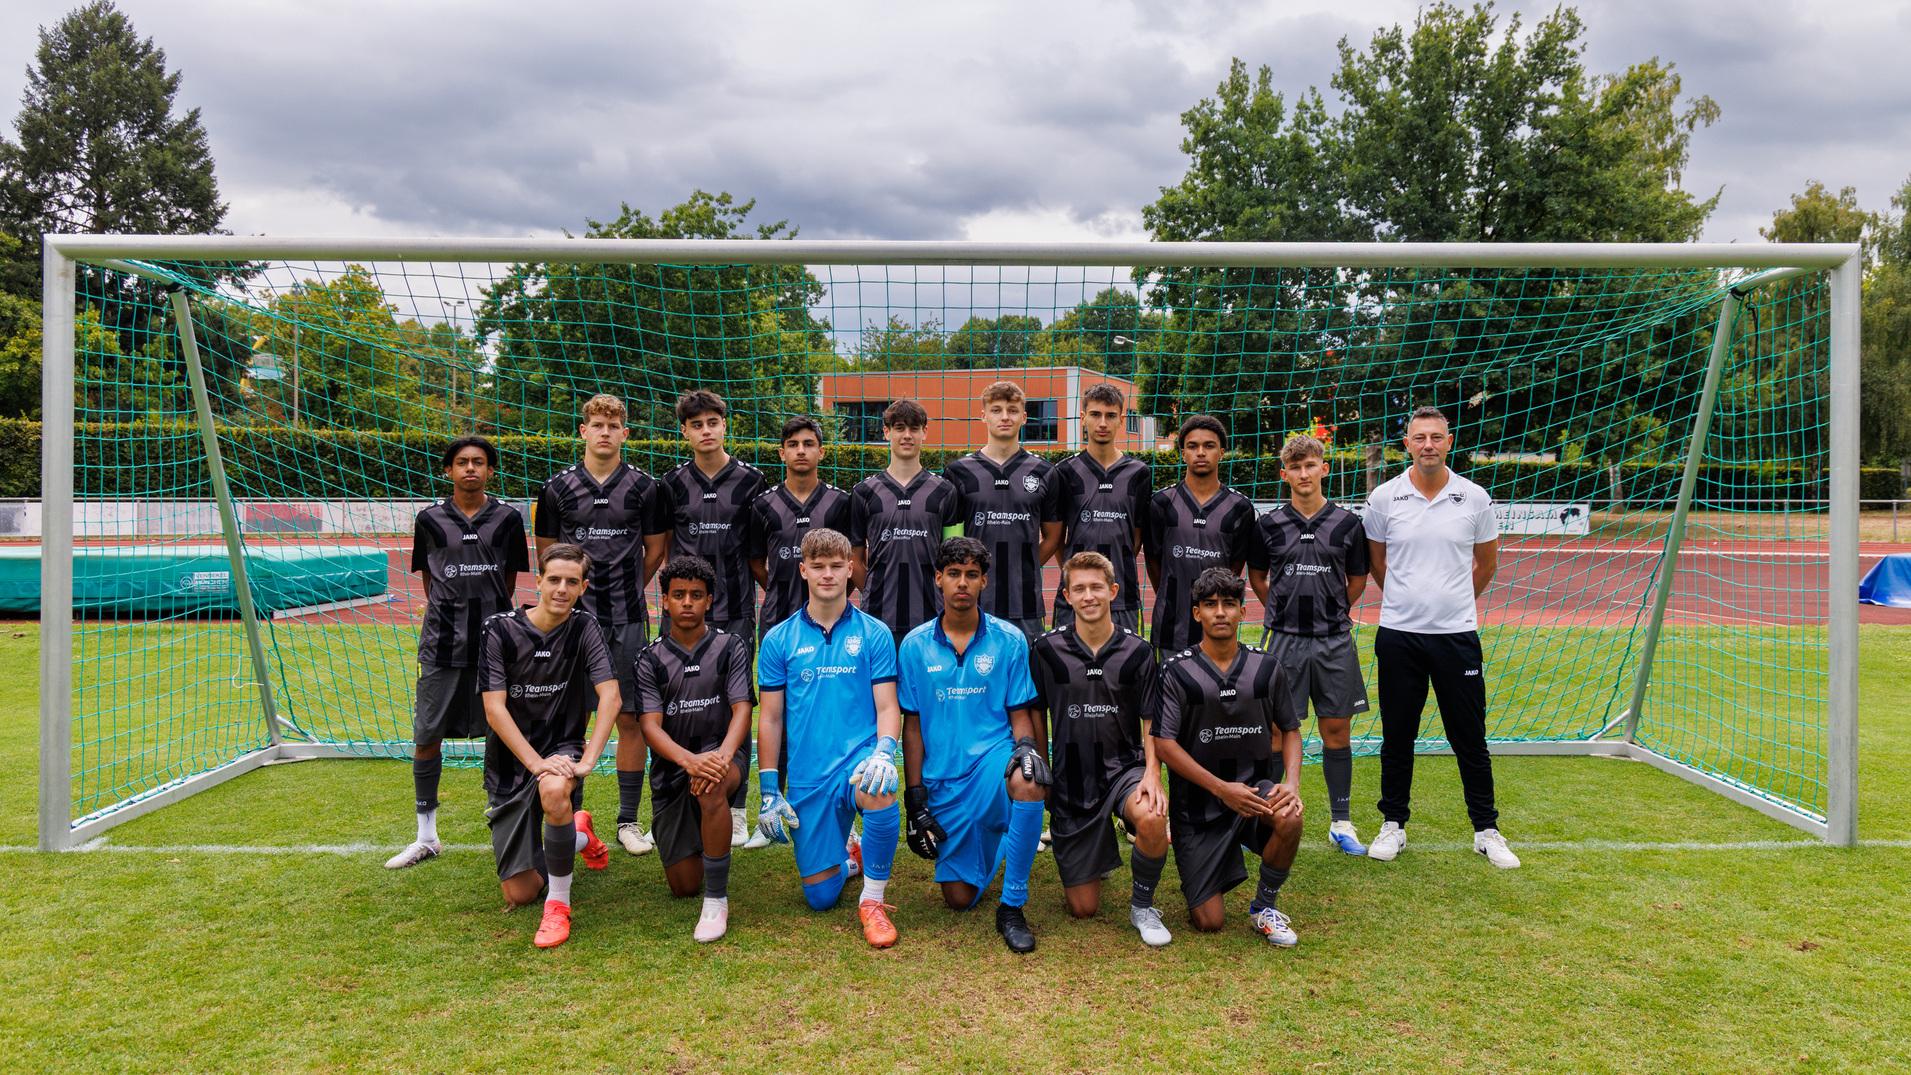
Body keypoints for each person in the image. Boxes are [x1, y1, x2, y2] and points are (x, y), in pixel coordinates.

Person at [1361, 406, 1517, 868]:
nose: (1428, 444)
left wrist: (1453, 604)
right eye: (1419, 437)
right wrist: (1409, 602)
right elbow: (1376, 562)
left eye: (1436, 436)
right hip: (1399, 636)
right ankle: (1393, 824)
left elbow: (1486, 565)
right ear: (1406, 444)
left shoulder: (1474, 498)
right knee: (1398, 735)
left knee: (1469, 737)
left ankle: (1486, 829)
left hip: (1456, 637)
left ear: (1450, 441)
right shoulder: (1385, 498)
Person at [533, 393, 672, 858]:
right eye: (597, 424)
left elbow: (655, 550)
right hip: (570, 625)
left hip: (627, 618)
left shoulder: (646, 488)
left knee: (631, 718)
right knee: (569, 718)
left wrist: (630, 585)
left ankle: (629, 821)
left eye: (614, 425)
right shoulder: (556, 488)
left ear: (625, 433)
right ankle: (573, 815)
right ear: (583, 431)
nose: (606, 432)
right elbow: (548, 554)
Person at [754, 527, 906, 949]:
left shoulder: (874, 633)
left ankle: (873, 902)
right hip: (808, 776)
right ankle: (848, 852)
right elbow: (769, 719)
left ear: (851, 569)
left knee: (879, 790)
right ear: (802, 570)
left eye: (836, 566)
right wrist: (769, 789)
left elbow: (887, 707)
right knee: (820, 897)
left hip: (857, 760)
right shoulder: (778, 638)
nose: (827, 574)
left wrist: (884, 751)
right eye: (817, 566)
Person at [898, 537, 1047, 954]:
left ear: (984, 581)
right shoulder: (913, 646)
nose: (962, 583)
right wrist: (914, 799)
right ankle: (1004, 838)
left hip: (991, 765)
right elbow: (912, 727)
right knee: (958, 899)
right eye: (954, 575)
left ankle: (1013, 905)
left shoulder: (1010, 640)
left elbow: (1020, 712)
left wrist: (1025, 748)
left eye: (971, 575)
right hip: (943, 781)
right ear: (938, 580)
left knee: (1029, 782)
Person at [387, 436, 530, 870]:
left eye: (479, 463)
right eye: (462, 462)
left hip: (495, 646)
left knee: (500, 735)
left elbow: (507, 583)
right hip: (441, 646)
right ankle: (426, 836)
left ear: (491, 471)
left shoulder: (507, 518)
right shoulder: (429, 519)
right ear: (448, 470)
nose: (471, 468)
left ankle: (502, 824)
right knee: (427, 735)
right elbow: (431, 581)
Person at [1151, 567, 1305, 947]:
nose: (1220, 612)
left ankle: (1264, 907)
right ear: (1196, 613)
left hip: (1254, 795)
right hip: (1198, 808)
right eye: (1210, 604)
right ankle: (1212, 865)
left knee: (1290, 815)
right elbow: (1165, 744)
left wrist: (1292, 782)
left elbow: (1291, 730)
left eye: (1229, 604)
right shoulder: (1176, 670)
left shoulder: (1266, 667)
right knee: (1209, 922)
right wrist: (1222, 789)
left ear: (1242, 611)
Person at [477, 543, 621, 949]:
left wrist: (587, 760)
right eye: (553, 579)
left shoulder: (584, 627)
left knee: (556, 789)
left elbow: (610, 697)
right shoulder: (499, 628)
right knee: (519, 893)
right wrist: (537, 763)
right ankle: (578, 834)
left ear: (583, 587)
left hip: (562, 747)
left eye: (571, 582)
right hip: (513, 760)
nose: (561, 589)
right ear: (537, 581)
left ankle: (558, 905)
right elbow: (494, 710)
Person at [1030, 552, 1171, 947]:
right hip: (1072, 777)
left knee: (1154, 817)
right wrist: (1042, 767)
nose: (1088, 596)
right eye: (1079, 589)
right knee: (1083, 909)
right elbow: (1035, 714)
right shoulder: (1046, 649)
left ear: (1112, 591)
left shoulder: (1139, 652)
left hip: (1125, 771)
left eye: (1096, 587)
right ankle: (1096, 850)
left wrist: (1152, 775)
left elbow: (1150, 721)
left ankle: (1143, 906)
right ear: (1066, 595)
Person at [1247, 433, 1373, 856]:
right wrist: (1284, 611)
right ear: (1284, 474)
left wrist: (1329, 610)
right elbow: (1258, 578)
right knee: (1278, 734)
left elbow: (1356, 580)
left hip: (1334, 640)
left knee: (1335, 730)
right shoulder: (1268, 525)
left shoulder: (1348, 524)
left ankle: (1341, 821)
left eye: (1310, 465)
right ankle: (1267, 816)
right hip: (1283, 642)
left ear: (1324, 468)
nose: (1303, 473)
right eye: (1295, 467)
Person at [661, 389, 770, 850]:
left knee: (733, 707)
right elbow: (664, 546)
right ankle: (669, 806)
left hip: (736, 612)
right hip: (682, 619)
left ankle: (738, 808)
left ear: (725, 425)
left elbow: (759, 550)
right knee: (675, 708)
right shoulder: (670, 484)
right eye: (696, 424)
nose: (706, 431)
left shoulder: (752, 481)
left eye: (713, 422)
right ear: (684, 431)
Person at [635, 556, 754, 943]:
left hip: (723, 762)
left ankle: (716, 901)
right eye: (679, 595)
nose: (687, 602)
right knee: (683, 885)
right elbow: (650, 727)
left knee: (711, 787)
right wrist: (690, 761)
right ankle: (707, 835)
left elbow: (742, 710)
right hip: (674, 770)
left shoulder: (729, 646)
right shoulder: (649, 658)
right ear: (664, 601)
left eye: (696, 595)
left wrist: (718, 760)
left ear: (710, 601)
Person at [942, 381, 1063, 641]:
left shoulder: (1044, 472)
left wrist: (1025, 562)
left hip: (1025, 601)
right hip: (974, 600)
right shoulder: (959, 472)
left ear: (1024, 417)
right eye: (996, 410)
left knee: (1023, 677)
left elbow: (1053, 537)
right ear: (983, 415)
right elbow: (951, 540)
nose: (1005, 417)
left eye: (1012, 410)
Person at [850, 399, 962, 646]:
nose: (907, 435)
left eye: (914, 428)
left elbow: (954, 557)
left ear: (925, 432)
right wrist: (872, 591)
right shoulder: (864, 492)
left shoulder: (945, 491)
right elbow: (855, 559)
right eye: (900, 428)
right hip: (878, 616)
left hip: (932, 614)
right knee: (881, 685)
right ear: (887, 432)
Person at [1143, 414, 1255, 656]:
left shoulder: (1240, 507)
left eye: (1209, 446)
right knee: (1170, 691)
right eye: (1193, 446)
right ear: (1183, 453)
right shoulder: (1161, 502)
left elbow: (1235, 566)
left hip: (1217, 623)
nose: (1201, 452)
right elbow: (1153, 561)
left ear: (1222, 452)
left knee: (1216, 690)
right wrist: (1172, 591)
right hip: (1170, 624)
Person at [1051, 383, 1152, 634]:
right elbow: (1056, 537)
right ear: (1083, 418)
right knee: (1067, 668)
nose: (1103, 423)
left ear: (1122, 419)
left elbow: (1136, 536)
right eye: (1095, 415)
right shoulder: (1064, 471)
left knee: (1125, 668)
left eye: (1110, 416)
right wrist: (1075, 568)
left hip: (1123, 593)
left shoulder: (1138, 473)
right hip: (1074, 596)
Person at [748, 416, 852, 633]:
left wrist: (834, 592)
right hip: (777, 617)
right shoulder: (763, 504)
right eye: (793, 445)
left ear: (821, 452)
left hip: (830, 618)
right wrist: (778, 590)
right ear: (782, 453)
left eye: (809, 444)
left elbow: (853, 561)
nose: (801, 451)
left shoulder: (841, 502)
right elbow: (756, 563)